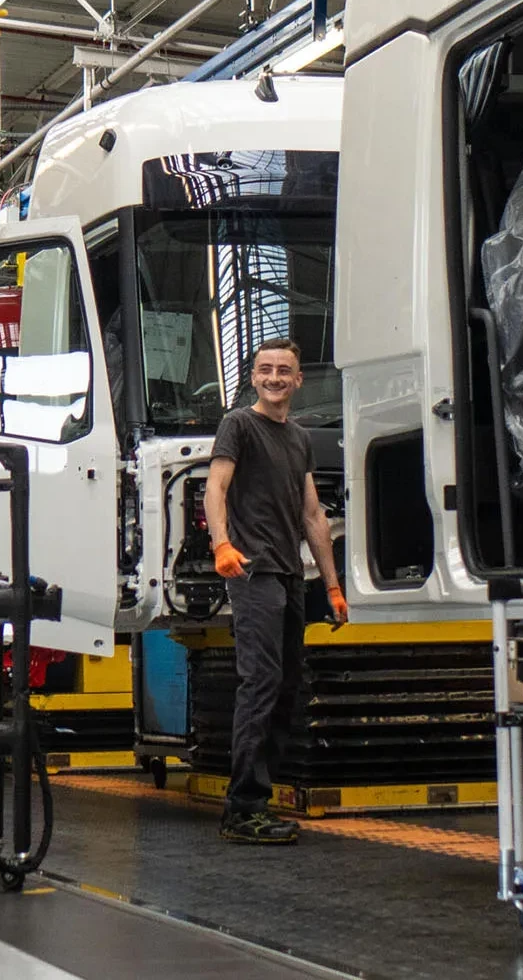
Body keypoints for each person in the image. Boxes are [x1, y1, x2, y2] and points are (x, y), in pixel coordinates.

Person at [205, 337, 348, 845]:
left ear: (298, 379)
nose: (274, 378)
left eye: (283, 370)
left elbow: (313, 515)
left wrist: (331, 586)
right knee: (261, 682)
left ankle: (257, 798)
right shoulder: (238, 425)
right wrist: (222, 544)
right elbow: (215, 487)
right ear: (253, 376)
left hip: (289, 574)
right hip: (252, 571)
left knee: (287, 686)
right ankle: (242, 808)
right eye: (265, 369)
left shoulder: (299, 438)